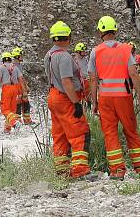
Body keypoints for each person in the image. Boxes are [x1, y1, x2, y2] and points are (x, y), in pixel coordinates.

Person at [88, 16, 140, 179]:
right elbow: (134, 73)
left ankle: (117, 170)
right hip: (124, 96)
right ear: (115, 30)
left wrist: (94, 102)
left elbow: (93, 79)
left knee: (110, 133)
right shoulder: (125, 49)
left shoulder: (95, 51)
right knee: (131, 130)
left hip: (105, 98)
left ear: (100, 31)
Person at [44, 21, 91, 179]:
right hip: (65, 98)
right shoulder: (63, 56)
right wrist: (76, 103)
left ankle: (62, 172)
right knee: (79, 133)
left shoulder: (49, 55)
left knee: (60, 135)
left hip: (53, 96)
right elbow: (66, 82)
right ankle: (80, 171)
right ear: (68, 37)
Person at [0, 51, 27, 133]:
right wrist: (24, 91)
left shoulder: (1, 67)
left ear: (3, 60)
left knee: (5, 109)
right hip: (16, 89)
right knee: (12, 110)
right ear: (10, 59)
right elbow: (21, 80)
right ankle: (7, 129)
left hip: (7, 88)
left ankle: (14, 123)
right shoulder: (15, 67)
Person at [11, 46, 33, 125]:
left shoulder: (14, 65)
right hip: (18, 88)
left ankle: (19, 120)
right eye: (21, 55)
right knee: (22, 104)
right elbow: (21, 78)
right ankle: (22, 120)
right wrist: (25, 88)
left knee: (21, 104)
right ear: (17, 56)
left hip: (16, 88)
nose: (22, 56)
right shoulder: (16, 66)